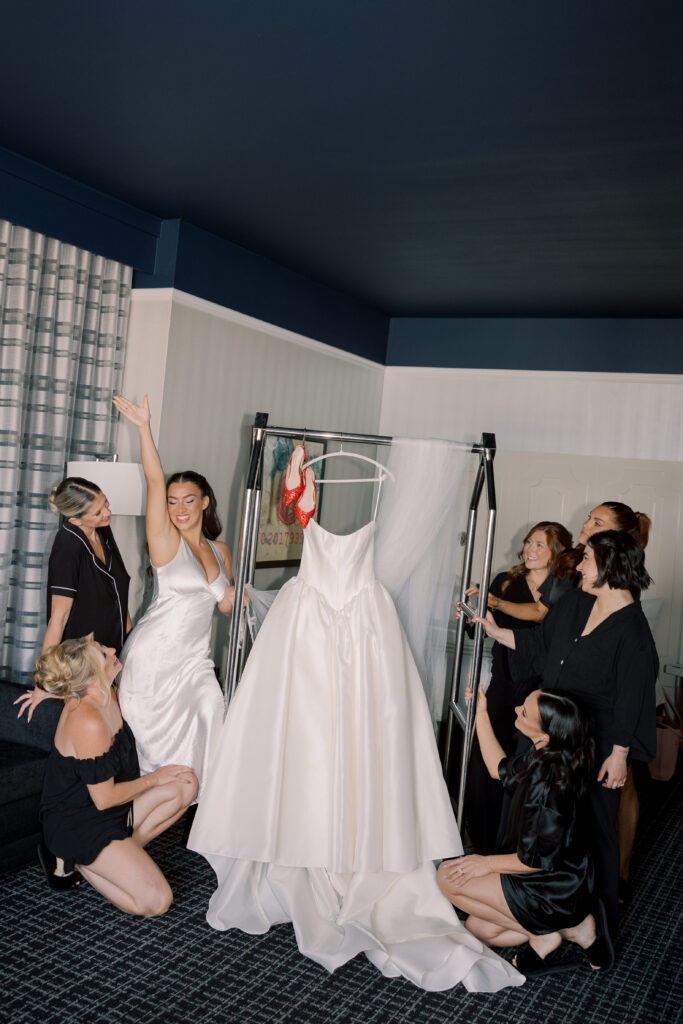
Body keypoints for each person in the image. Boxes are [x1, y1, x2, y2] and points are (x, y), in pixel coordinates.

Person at [474, 530, 658, 934]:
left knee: (595, 830)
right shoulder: (575, 602)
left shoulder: (633, 631)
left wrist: (620, 754)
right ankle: (532, 913)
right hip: (552, 733)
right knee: (534, 819)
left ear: (610, 566)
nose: (579, 565)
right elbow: (539, 644)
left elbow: (633, 698)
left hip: (600, 746)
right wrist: (494, 630)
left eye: (587, 557)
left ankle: (599, 928)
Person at [437, 685, 613, 977]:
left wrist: (485, 864)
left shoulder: (548, 786)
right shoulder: (548, 754)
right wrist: (481, 712)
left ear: (545, 735)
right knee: (479, 929)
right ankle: (577, 929)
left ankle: (548, 934)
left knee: (446, 878)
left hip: (552, 886)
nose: (517, 709)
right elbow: (498, 769)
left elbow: (533, 861)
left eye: (525, 712)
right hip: (554, 877)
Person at [112, 394, 238, 791]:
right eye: (172, 501)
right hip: (154, 661)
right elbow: (154, 480)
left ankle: (206, 807)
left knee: (212, 710)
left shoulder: (220, 550)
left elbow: (225, 606)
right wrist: (143, 428)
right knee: (152, 758)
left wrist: (242, 595)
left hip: (194, 661)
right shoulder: (166, 542)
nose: (179, 509)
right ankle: (150, 811)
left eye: (188, 500)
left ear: (205, 502)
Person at [34, 634, 197, 913]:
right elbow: (104, 799)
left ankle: (117, 857)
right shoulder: (87, 720)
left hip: (113, 811)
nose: (112, 650)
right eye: (104, 654)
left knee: (186, 784)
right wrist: (155, 778)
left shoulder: (107, 692)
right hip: (80, 823)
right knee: (157, 902)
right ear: (92, 678)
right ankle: (79, 861)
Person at [463, 521, 573, 852]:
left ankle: (516, 839)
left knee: (527, 762)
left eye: (540, 545)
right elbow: (480, 629)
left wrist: (495, 604)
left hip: (542, 688)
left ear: (556, 551)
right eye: (528, 542)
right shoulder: (505, 581)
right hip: (505, 679)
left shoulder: (565, 586)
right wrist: (470, 616)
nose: (530, 550)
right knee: (484, 753)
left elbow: (540, 618)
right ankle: (481, 838)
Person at [15, 476, 131, 722]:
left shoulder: (102, 530)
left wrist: (131, 640)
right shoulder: (68, 547)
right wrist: (43, 684)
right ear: (75, 518)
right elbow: (58, 619)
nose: (107, 512)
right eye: (98, 512)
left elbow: (117, 590)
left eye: (106, 503)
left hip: (115, 653)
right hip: (87, 663)